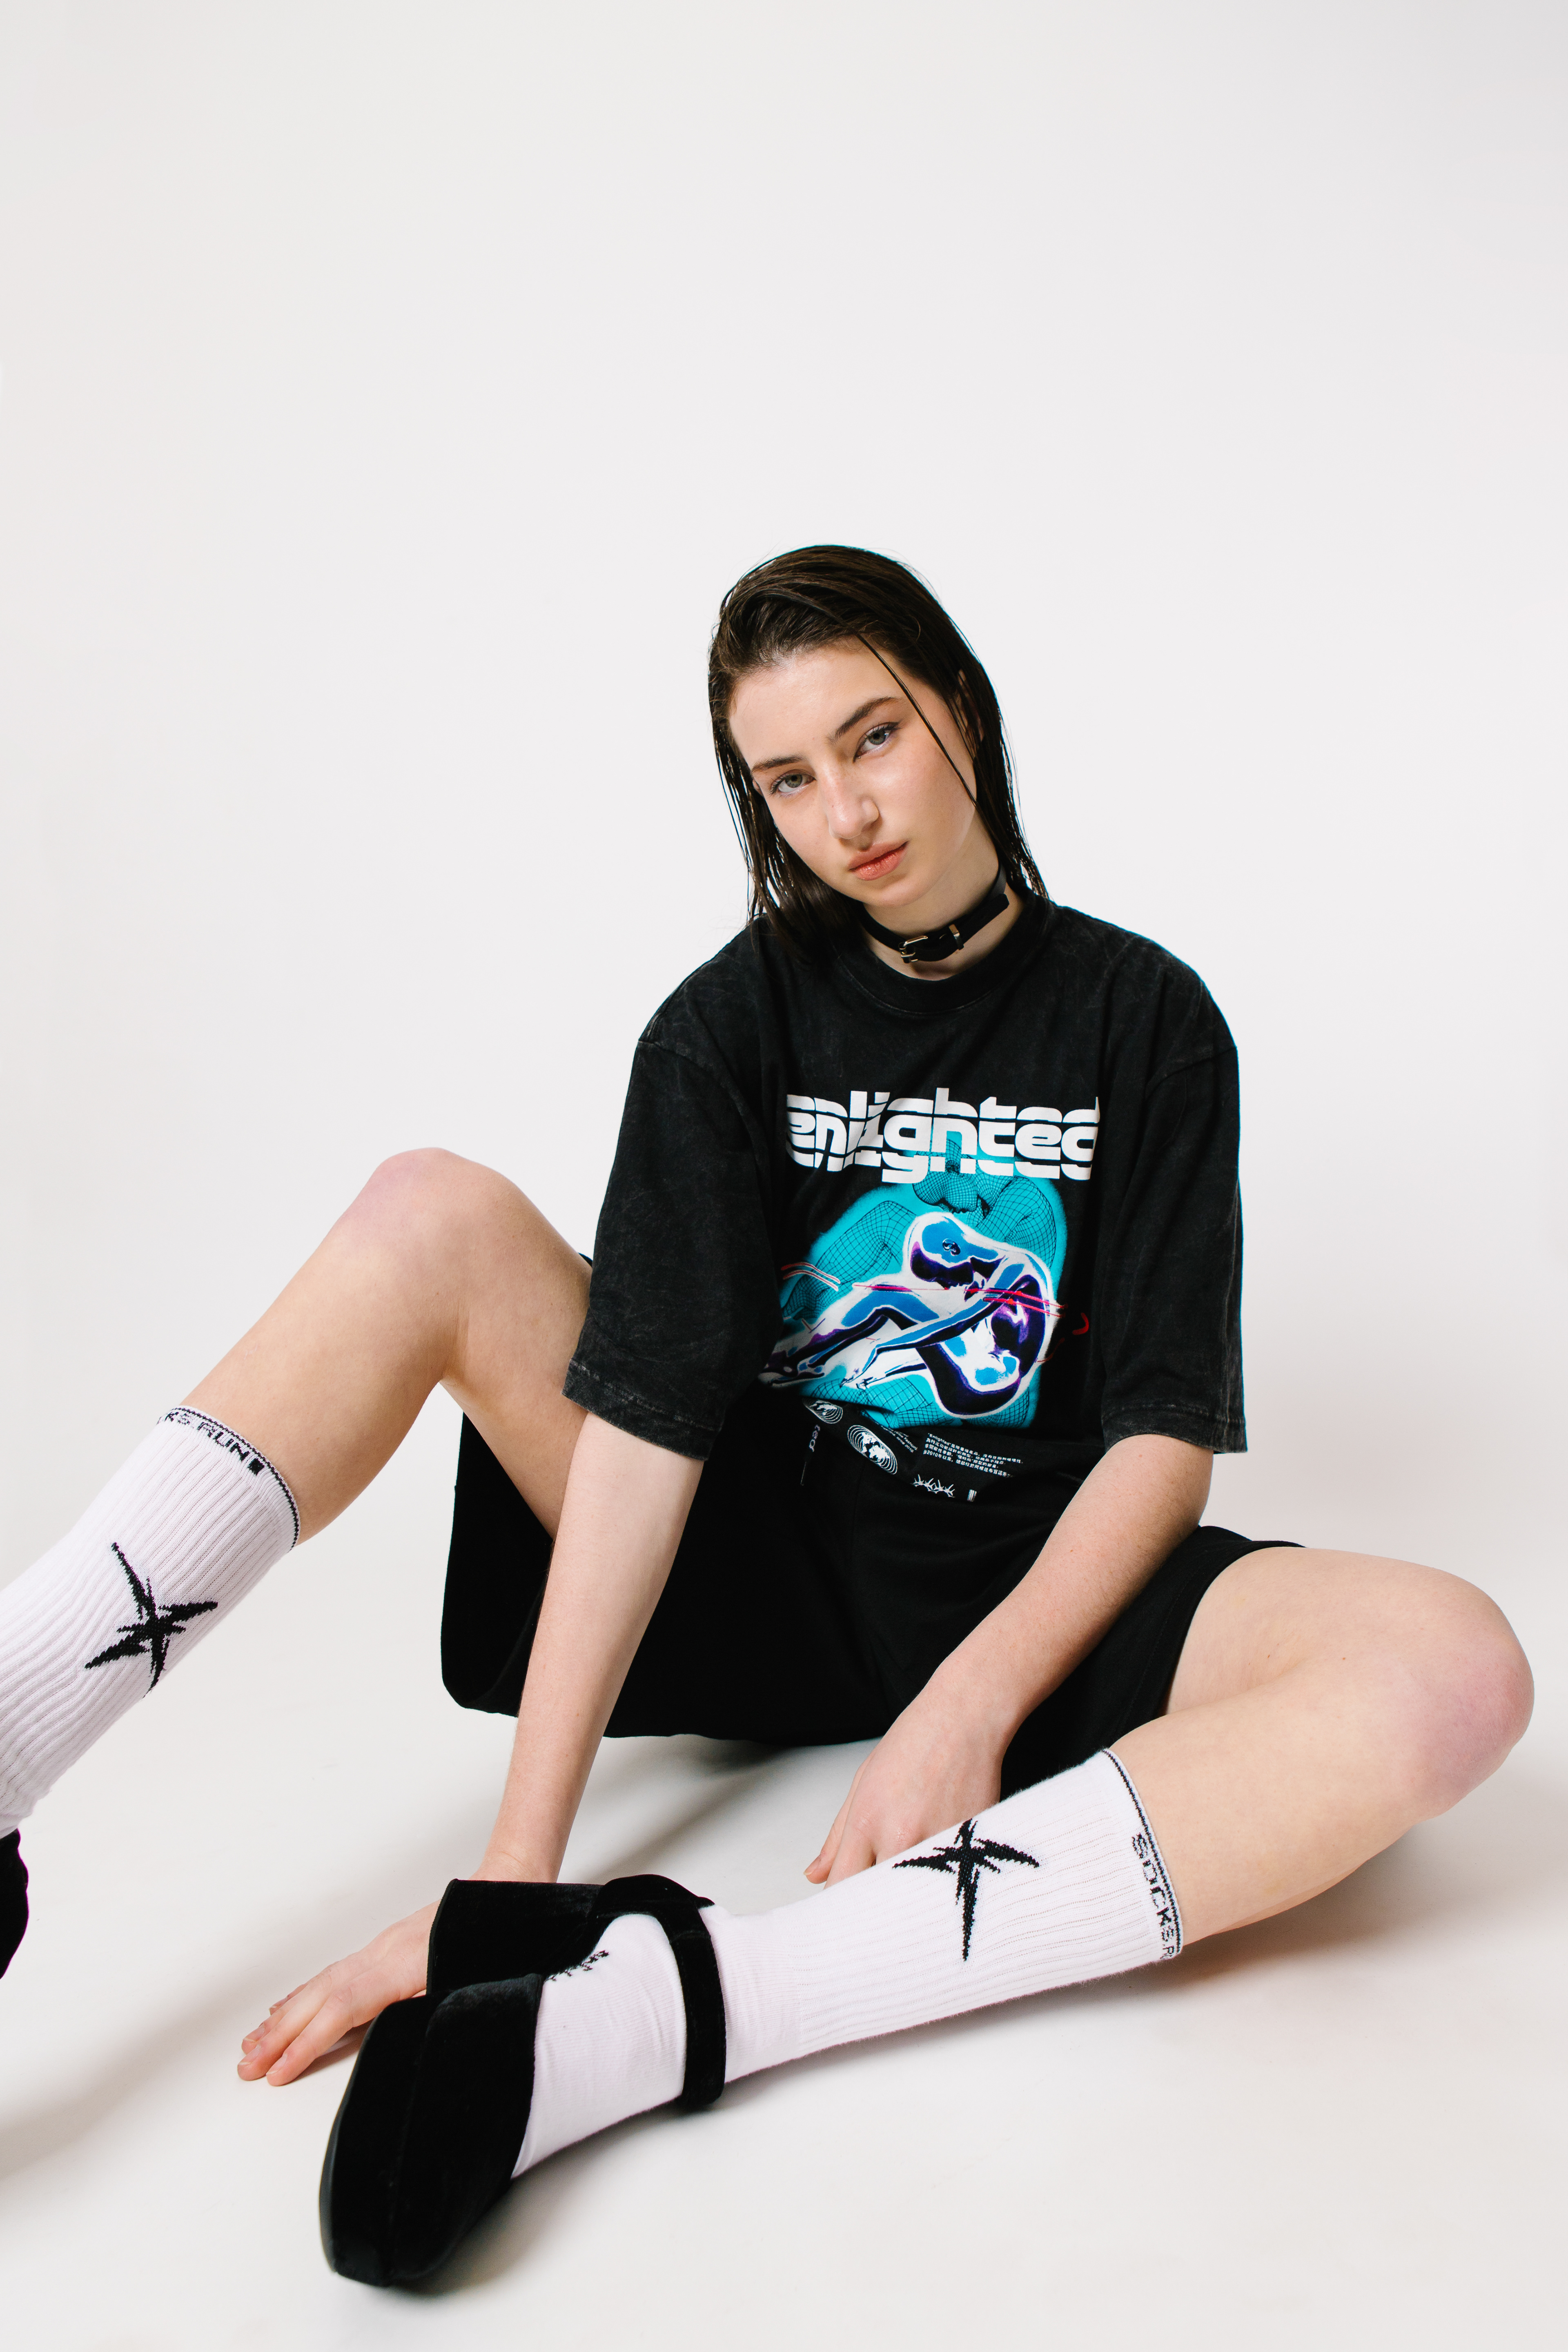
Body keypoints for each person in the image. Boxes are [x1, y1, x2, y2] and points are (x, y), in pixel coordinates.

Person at [0, 549, 1532, 2279]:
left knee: (1453, 1669)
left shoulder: (1146, 1021)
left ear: (961, 712)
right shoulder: (727, 1027)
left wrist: (969, 1703)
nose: (844, 814)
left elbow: (1160, 1441)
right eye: (787, 779)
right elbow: (647, 1432)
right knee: (427, 1209)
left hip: (1026, 1588)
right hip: (753, 1565)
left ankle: (680, 2002)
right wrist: (512, 1895)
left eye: (872, 738)